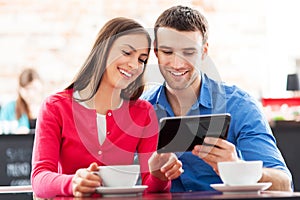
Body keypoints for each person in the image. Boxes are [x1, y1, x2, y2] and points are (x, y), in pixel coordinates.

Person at [142, 5, 292, 192]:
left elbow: (284, 184)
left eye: (189, 52)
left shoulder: (240, 106)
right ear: (156, 51)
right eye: (167, 52)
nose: (177, 64)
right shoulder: (141, 110)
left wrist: (239, 168)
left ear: (204, 51)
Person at [31, 17, 183, 198]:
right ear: (103, 49)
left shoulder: (143, 112)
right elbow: (40, 177)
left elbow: (152, 186)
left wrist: (159, 175)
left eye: (142, 60)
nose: (135, 65)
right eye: (127, 53)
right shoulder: (55, 107)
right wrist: (72, 182)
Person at [0, 68, 43, 134]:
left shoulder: (46, 109)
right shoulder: (9, 108)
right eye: (27, 89)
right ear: (20, 89)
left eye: (34, 88)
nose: (31, 93)